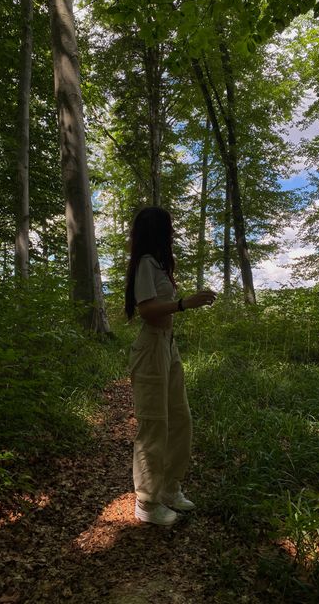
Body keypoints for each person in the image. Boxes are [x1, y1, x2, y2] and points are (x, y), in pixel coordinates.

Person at [125, 206, 216, 525]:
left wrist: (182, 305)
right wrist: (183, 304)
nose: (173, 231)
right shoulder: (145, 265)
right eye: (169, 227)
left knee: (180, 419)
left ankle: (168, 488)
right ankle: (146, 504)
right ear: (157, 230)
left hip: (168, 345)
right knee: (154, 424)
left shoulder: (160, 265)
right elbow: (146, 310)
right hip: (151, 346)